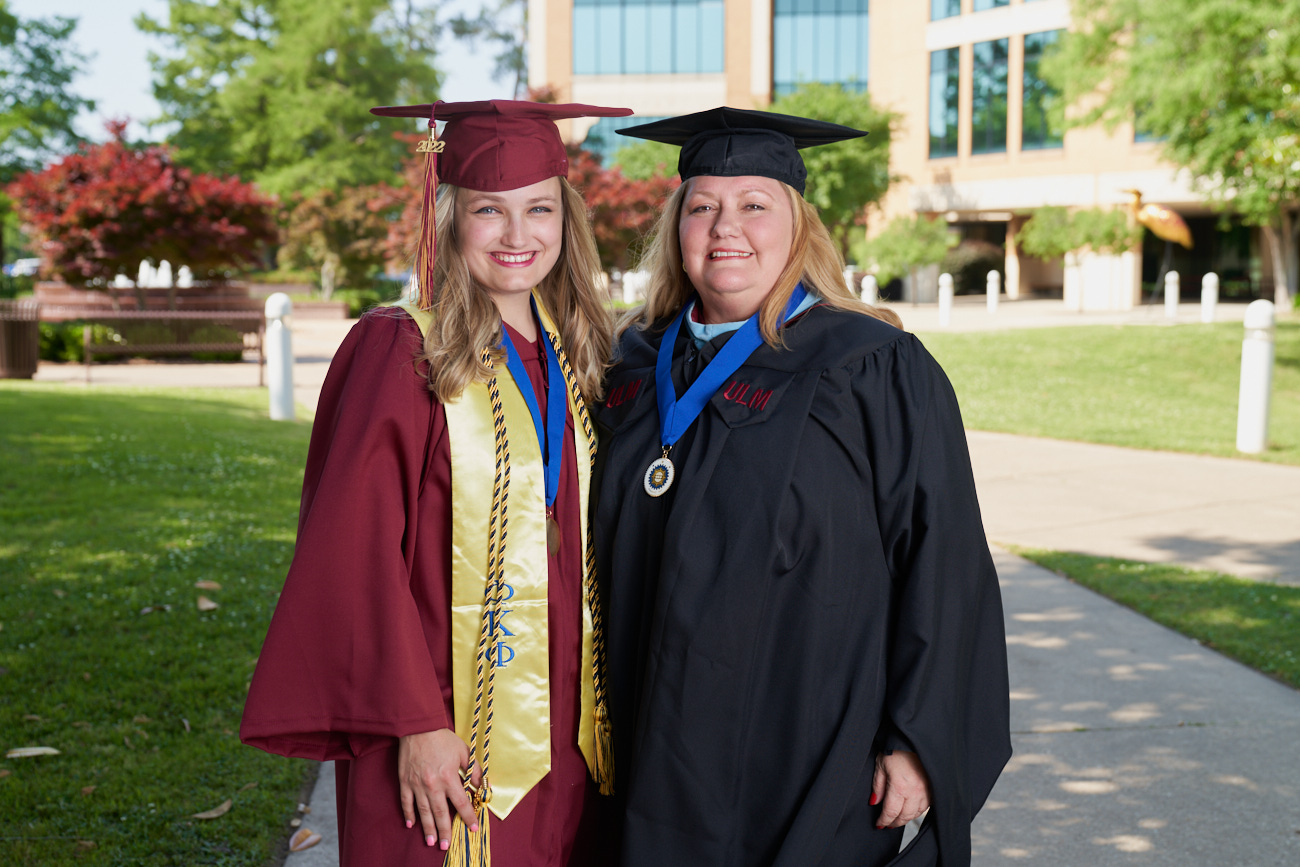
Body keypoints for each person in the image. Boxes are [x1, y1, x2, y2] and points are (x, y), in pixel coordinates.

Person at [591, 107, 1011, 866]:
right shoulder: (630, 363)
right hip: (645, 736)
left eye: (755, 204)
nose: (728, 228)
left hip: (807, 742)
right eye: (704, 206)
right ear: (675, 228)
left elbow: (942, 557)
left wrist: (915, 735)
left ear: (799, 226)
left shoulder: (872, 366)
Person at [240, 99, 631, 867]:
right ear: (450, 217)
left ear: (566, 220)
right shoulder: (403, 349)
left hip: (565, 728)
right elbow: (353, 554)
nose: (518, 235)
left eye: (539, 209)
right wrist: (413, 722)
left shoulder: (574, 352)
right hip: (442, 728)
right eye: (491, 209)